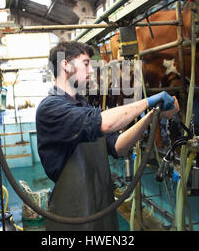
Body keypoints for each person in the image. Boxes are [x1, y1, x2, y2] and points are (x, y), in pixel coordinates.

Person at [36, 41, 179, 230]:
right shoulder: (50, 108)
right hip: (73, 216)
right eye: (86, 63)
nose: (91, 70)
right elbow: (105, 123)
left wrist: (152, 116)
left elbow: (118, 146)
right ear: (65, 65)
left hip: (100, 207)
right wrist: (148, 101)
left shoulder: (83, 106)